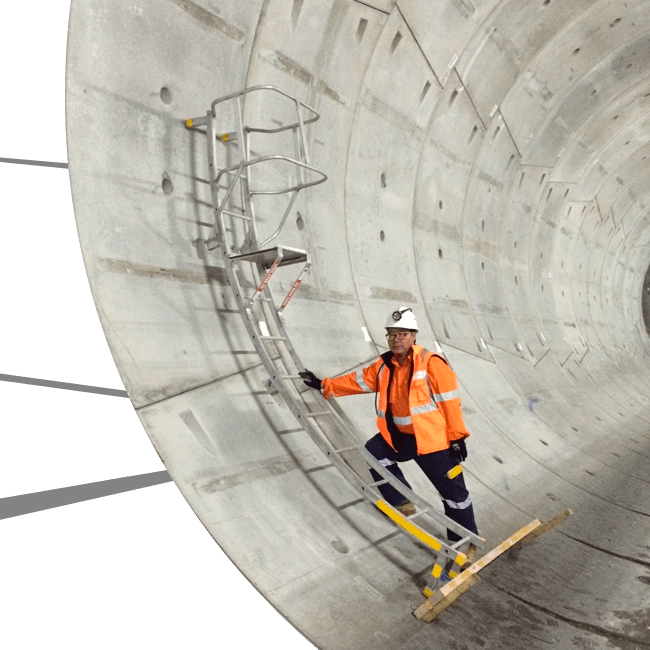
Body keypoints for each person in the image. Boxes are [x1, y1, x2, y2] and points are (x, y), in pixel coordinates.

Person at [299, 307, 479, 546]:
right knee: (374, 451)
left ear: (414, 335)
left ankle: (466, 544)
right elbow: (358, 381)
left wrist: (457, 438)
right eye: (391, 334)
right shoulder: (385, 365)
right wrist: (325, 385)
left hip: (432, 442)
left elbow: (450, 401)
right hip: (401, 438)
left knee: (455, 497)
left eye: (402, 334)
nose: (396, 339)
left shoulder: (431, 363)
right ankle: (401, 502)